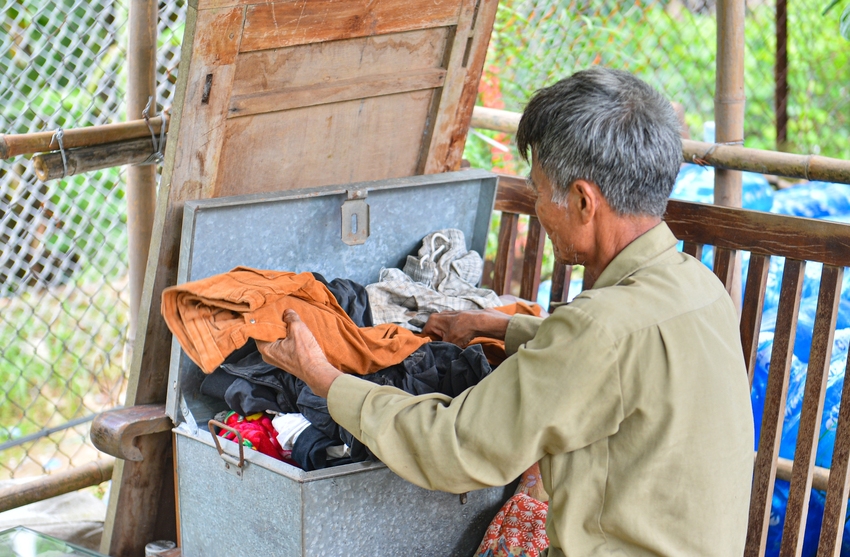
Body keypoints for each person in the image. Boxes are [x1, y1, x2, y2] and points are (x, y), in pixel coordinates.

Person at [257, 67, 754, 556]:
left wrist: (323, 376)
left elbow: (453, 447)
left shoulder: (599, 330)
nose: (538, 207)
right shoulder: (699, 288)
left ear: (584, 200)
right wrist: (499, 325)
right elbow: (620, 357)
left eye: (539, 192)